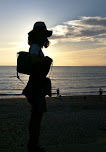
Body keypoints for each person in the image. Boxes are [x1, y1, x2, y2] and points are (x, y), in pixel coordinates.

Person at [23, 21, 53, 152]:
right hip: (35, 86)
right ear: (37, 34)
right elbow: (34, 60)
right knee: (36, 117)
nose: (44, 37)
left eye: (45, 34)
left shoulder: (37, 47)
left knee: (36, 116)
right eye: (42, 34)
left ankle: (33, 145)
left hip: (36, 86)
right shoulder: (35, 47)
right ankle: (33, 146)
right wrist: (45, 60)